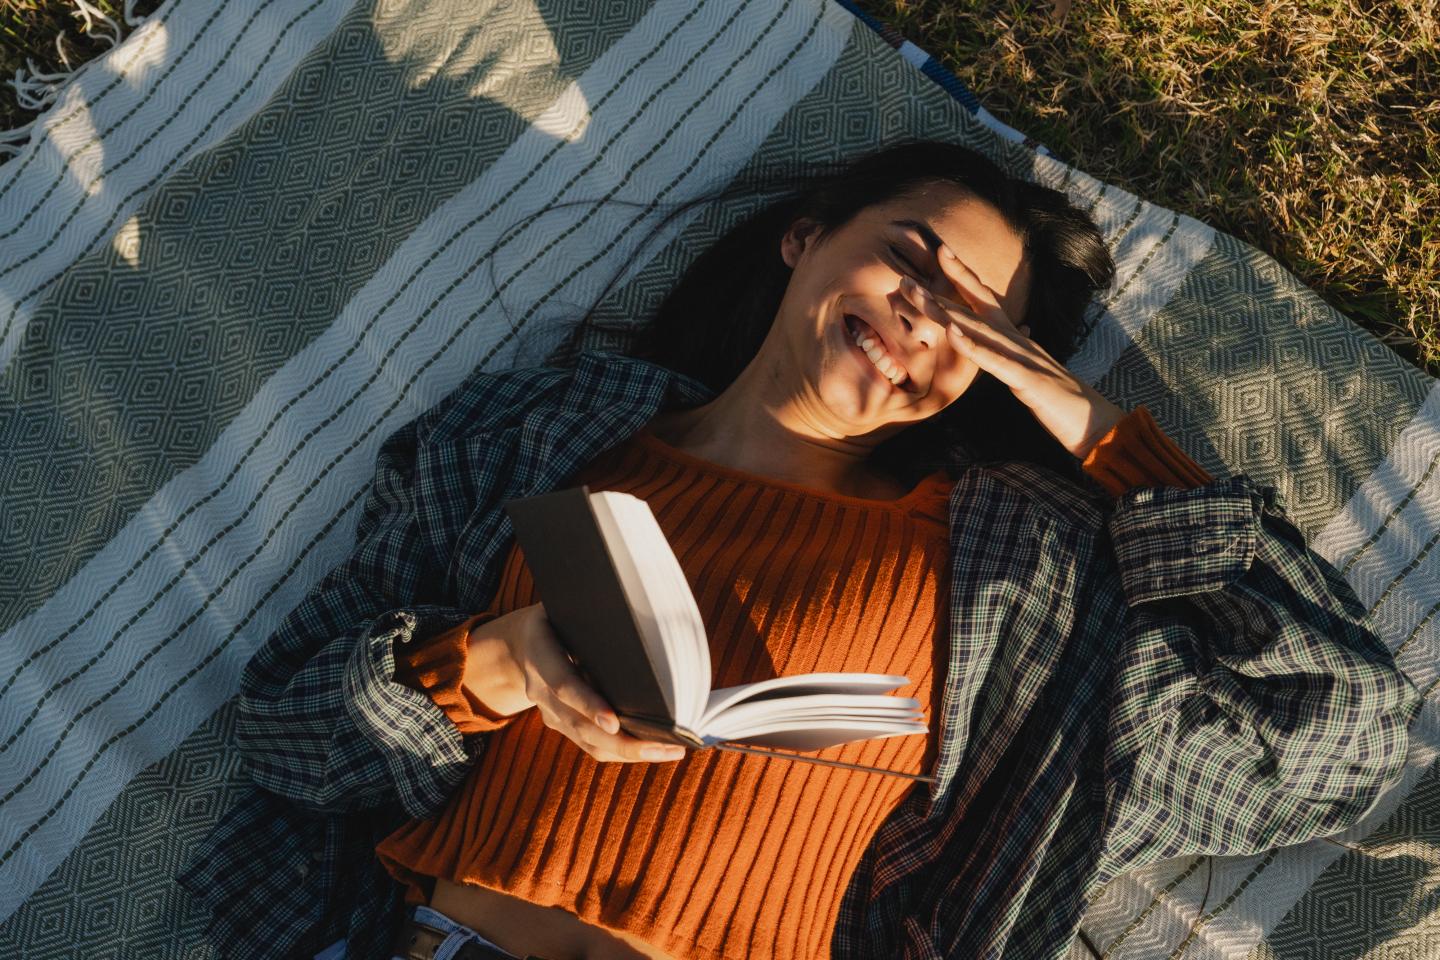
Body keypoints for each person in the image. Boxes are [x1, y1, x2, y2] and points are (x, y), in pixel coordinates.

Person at [177, 141, 1417, 960]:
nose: (929, 311)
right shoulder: (541, 435)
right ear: (806, 239)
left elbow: (1343, 730)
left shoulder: (1013, 576)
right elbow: (289, 733)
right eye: (913, 256)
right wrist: (485, 669)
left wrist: (1104, 439)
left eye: (982, 325)